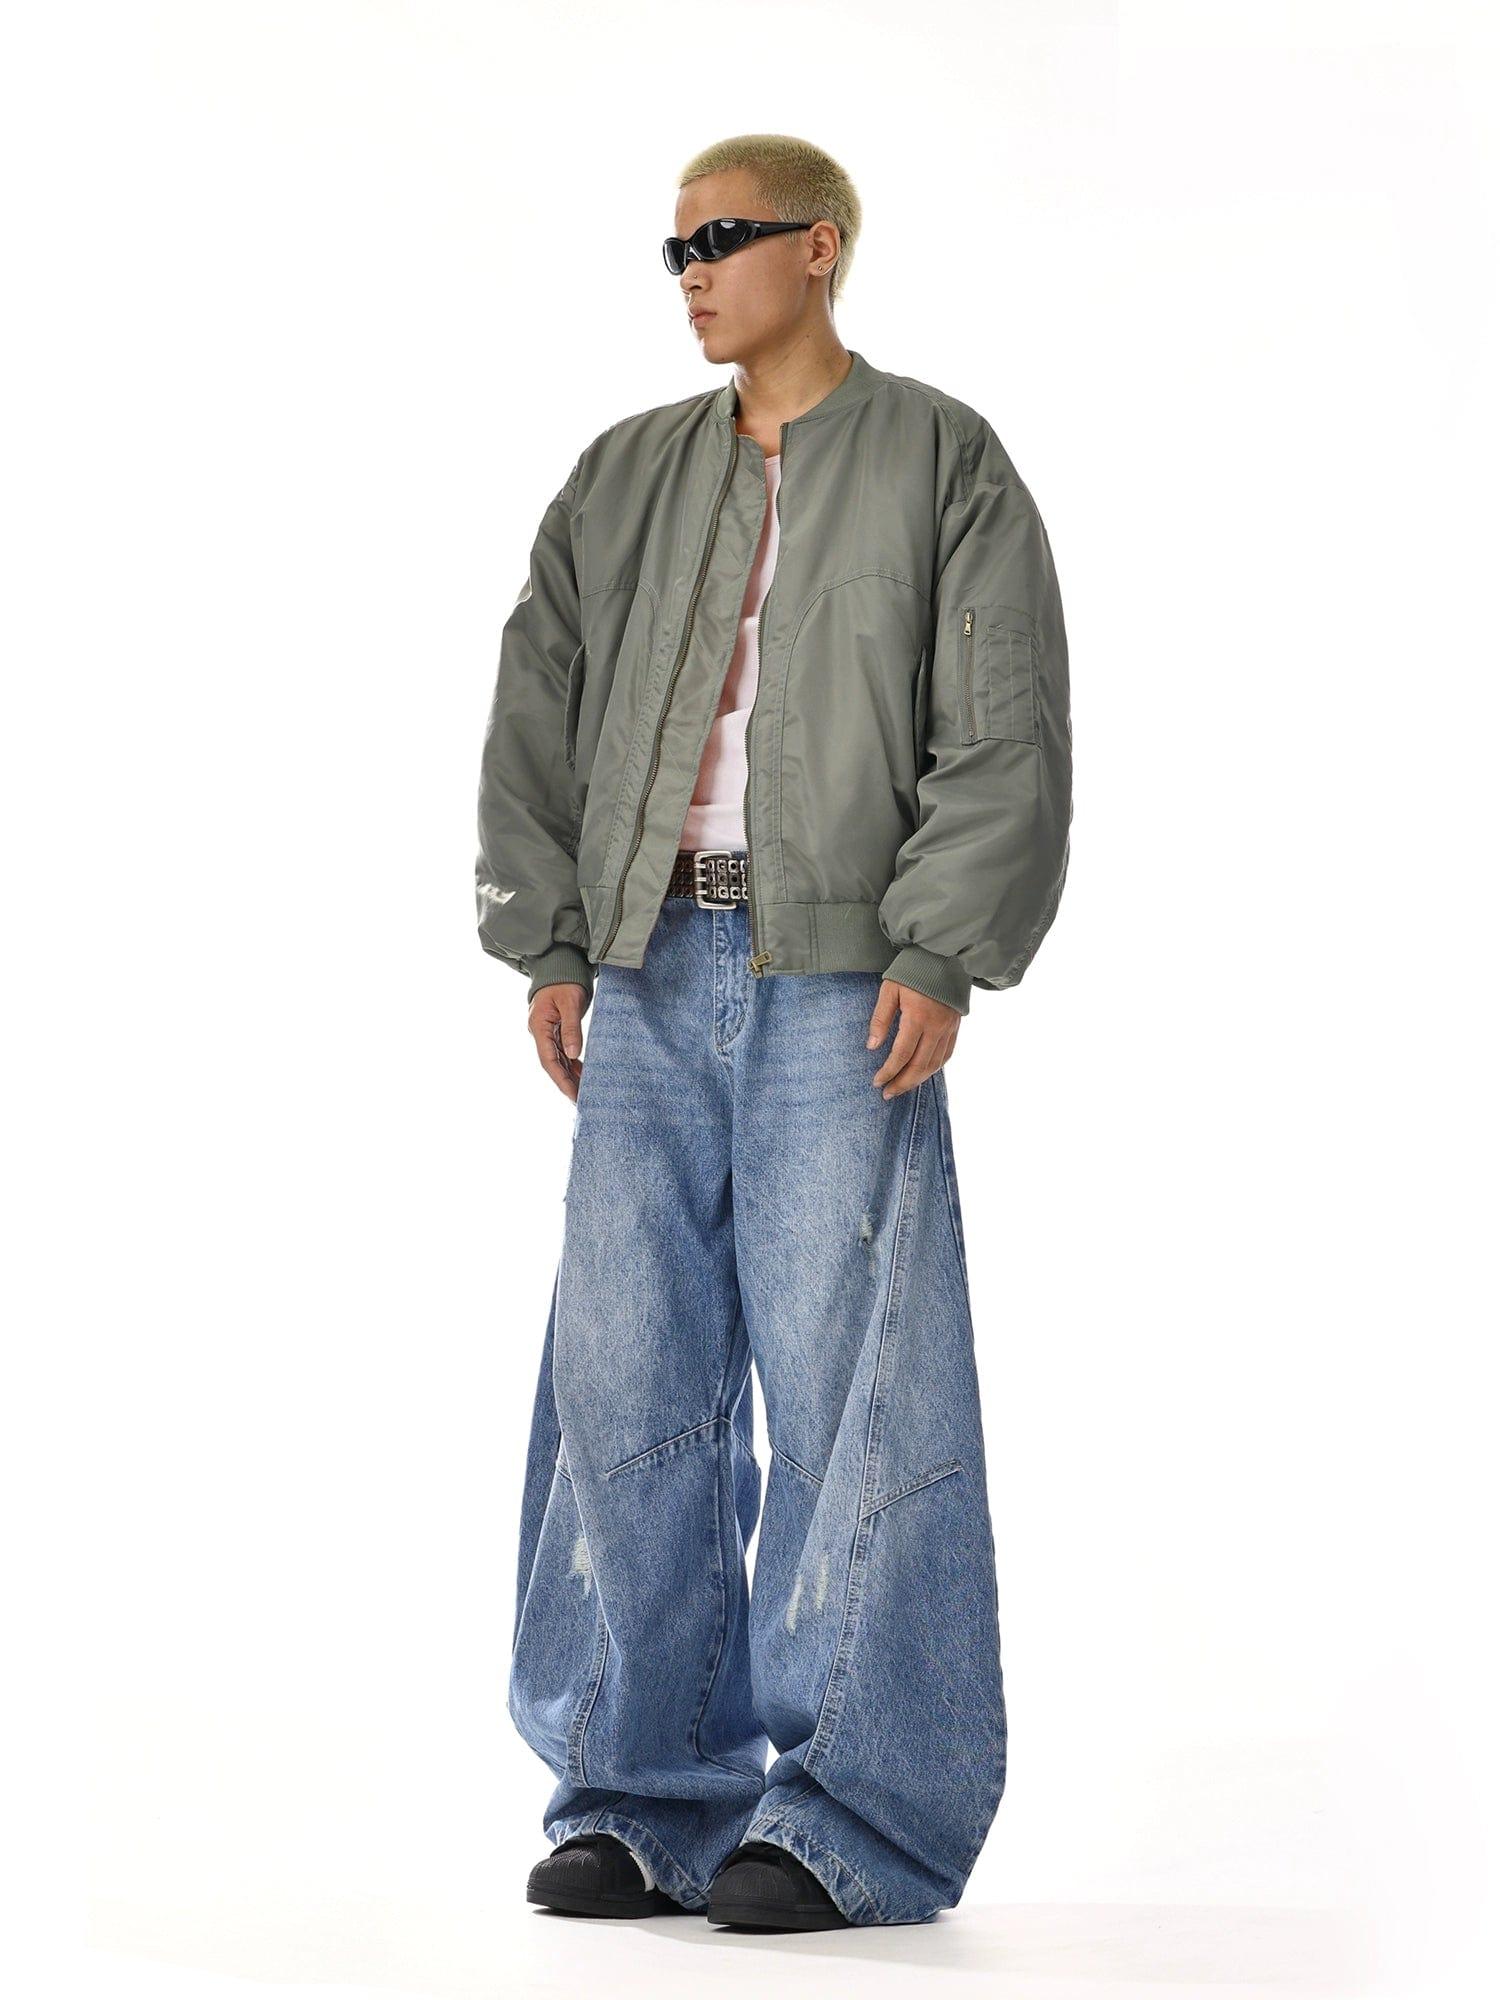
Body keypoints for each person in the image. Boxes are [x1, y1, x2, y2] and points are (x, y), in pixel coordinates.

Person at [475, 132, 1072, 1930]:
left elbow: (1003, 721)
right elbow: (536, 710)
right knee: (624, 1375)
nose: (691, 272)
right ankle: (641, 1790)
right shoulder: (622, 475)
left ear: (819, 247)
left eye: (722, 238)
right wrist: (551, 940)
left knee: (853, 1391)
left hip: (839, 972)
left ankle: (858, 1817)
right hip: (646, 967)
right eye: (673, 247)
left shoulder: (941, 457)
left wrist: (942, 946)